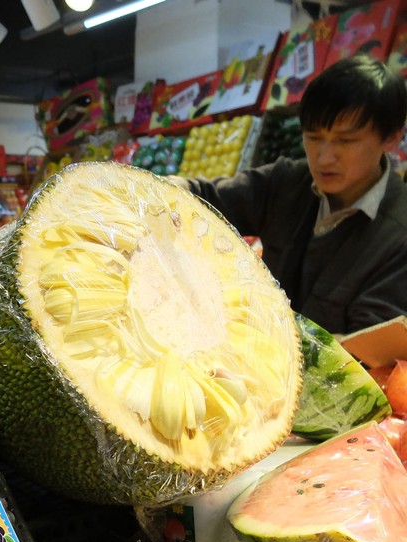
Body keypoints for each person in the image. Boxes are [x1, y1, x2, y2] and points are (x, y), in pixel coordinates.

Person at [174, 54, 407, 334]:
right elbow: (204, 197)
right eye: (313, 137)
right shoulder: (287, 181)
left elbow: (364, 347)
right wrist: (139, 189)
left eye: (346, 141)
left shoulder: (399, 235)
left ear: (391, 138)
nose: (324, 157)